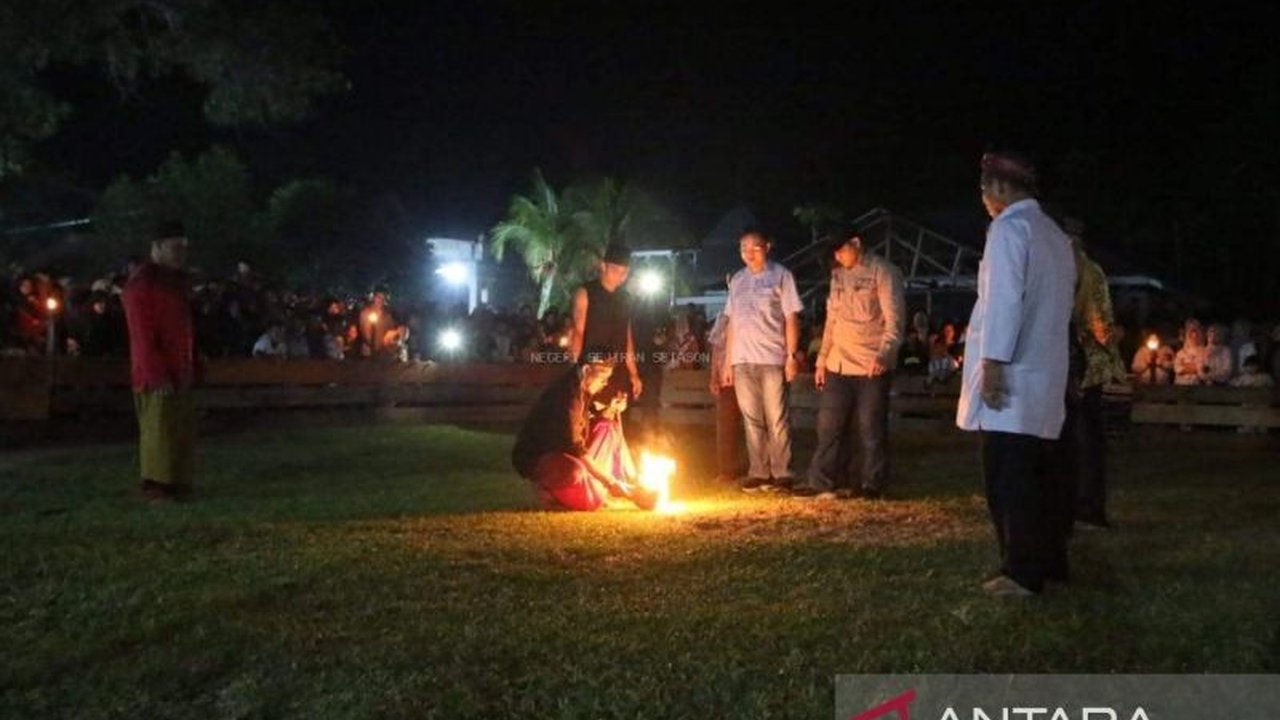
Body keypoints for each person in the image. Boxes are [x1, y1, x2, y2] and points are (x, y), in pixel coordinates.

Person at [956, 152, 1076, 597]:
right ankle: (1051, 562)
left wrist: (993, 362)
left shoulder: (1009, 229)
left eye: (984, 190)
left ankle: (1021, 571)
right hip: (1045, 373)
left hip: (1015, 375)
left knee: (1010, 480)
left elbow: (1004, 300)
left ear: (1001, 188)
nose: (984, 200)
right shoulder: (1053, 233)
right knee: (1046, 477)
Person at [793, 233, 905, 500]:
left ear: (856, 243)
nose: (838, 256)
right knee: (829, 425)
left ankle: (871, 484)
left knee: (870, 426)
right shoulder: (838, 276)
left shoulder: (883, 272)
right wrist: (822, 359)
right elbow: (831, 320)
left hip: (870, 363)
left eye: (841, 250)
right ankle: (823, 481)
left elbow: (895, 320)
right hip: (839, 363)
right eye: (834, 253)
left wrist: (884, 355)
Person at [511, 350, 651, 511]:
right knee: (575, 473)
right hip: (544, 457)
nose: (605, 383)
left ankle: (600, 487)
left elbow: (585, 424)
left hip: (568, 454)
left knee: (607, 427)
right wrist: (610, 482)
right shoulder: (567, 395)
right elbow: (575, 445)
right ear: (586, 370)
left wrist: (611, 409)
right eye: (603, 378)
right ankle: (547, 491)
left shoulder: (582, 390)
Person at [121, 221, 199, 502]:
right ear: (157, 247)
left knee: (177, 427)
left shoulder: (173, 283)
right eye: (175, 247)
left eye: (183, 248)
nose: (181, 253)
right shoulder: (143, 285)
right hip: (156, 371)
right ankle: (156, 483)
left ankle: (176, 480)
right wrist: (156, 372)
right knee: (158, 429)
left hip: (179, 367)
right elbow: (142, 335)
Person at [721, 229, 804, 492]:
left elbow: (791, 317)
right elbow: (732, 322)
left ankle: (782, 471)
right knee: (751, 418)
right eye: (743, 248)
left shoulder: (781, 275)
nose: (748, 253)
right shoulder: (737, 280)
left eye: (754, 247)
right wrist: (728, 361)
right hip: (742, 359)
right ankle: (758, 471)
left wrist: (791, 356)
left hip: (771, 358)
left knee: (776, 417)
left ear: (767, 247)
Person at [1060, 217, 1128, 530]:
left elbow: (1098, 321)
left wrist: (1108, 338)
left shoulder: (1084, 271)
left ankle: (1087, 505)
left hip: (1083, 363)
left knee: (1085, 436)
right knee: (1079, 436)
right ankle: (1079, 502)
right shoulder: (1077, 270)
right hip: (1077, 359)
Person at [570, 243, 643, 397]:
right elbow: (578, 331)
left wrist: (634, 373)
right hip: (593, 370)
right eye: (615, 270)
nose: (620, 276)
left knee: (617, 408)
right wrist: (575, 369)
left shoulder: (625, 298)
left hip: (618, 368)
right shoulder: (586, 293)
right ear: (603, 266)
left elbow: (627, 337)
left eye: (625, 272)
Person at [707, 311, 745, 484]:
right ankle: (727, 470)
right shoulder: (723, 316)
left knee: (756, 426)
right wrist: (714, 376)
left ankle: (761, 470)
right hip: (726, 380)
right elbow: (716, 348)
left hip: (749, 376)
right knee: (726, 426)